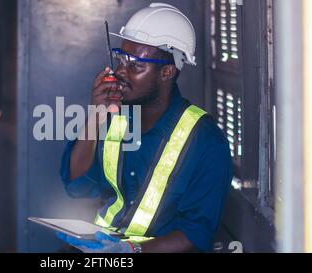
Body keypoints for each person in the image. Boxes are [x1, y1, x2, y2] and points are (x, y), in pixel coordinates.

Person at [58, 3, 233, 253]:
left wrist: (130, 251)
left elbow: (195, 232)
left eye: (135, 65)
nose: (120, 72)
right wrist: (96, 114)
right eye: (121, 59)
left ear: (167, 72)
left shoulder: (206, 141)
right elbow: (76, 185)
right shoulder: (114, 117)